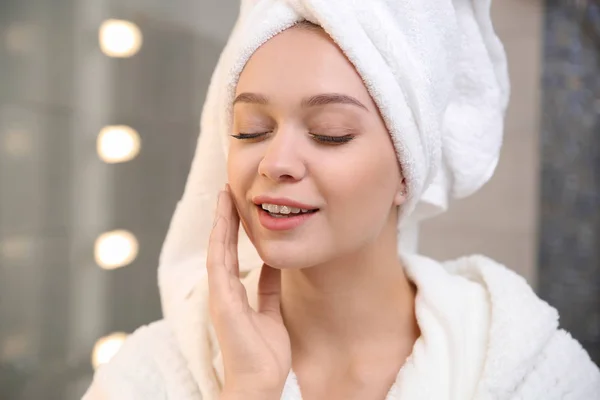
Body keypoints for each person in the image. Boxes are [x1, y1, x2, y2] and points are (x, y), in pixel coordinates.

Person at [84, 1, 600, 399]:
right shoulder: (147, 377)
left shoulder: (531, 374)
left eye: (330, 133)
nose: (275, 161)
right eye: (251, 130)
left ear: (407, 169)